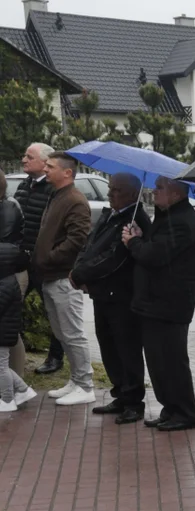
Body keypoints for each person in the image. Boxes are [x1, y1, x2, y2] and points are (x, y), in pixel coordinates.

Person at [70, 173, 151, 425]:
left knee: (127, 347)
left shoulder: (135, 220)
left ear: (130, 194)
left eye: (115, 190)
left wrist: (82, 273)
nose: (109, 194)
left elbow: (114, 257)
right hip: (103, 293)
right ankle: (120, 392)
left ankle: (133, 401)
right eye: (111, 189)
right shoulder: (111, 214)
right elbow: (91, 245)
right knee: (108, 344)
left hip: (122, 294)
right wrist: (79, 268)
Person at [123, 177, 195, 431]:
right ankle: (170, 408)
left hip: (169, 304)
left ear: (177, 194)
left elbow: (155, 255)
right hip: (154, 301)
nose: (153, 192)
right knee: (158, 361)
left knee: (172, 360)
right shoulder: (168, 216)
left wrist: (133, 242)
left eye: (160, 188)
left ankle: (186, 412)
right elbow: (155, 246)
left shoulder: (181, 221)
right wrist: (140, 236)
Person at [34, 152, 95, 406]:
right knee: (61, 333)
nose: (45, 169)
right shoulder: (56, 195)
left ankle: (86, 385)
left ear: (67, 172)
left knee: (72, 333)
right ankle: (76, 379)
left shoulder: (75, 200)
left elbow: (78, 238)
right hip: (50, 276)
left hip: (63, 277)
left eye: (50, 166)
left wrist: (49, 257)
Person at [13, 142, 65, 376]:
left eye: (29, 156)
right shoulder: (24, 186)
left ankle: (56, 356)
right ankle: (17, 352)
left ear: (45, 162)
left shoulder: (53, 190)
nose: (24, 159)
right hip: (21, 260)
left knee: (52, 310)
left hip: (43, 261)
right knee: (13, 306)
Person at [0, 186, 34, 412]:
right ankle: (22, 390)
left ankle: (6, 399)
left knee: (0, 364)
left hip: (3, 325)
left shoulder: (8, 209)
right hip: (5, 322)